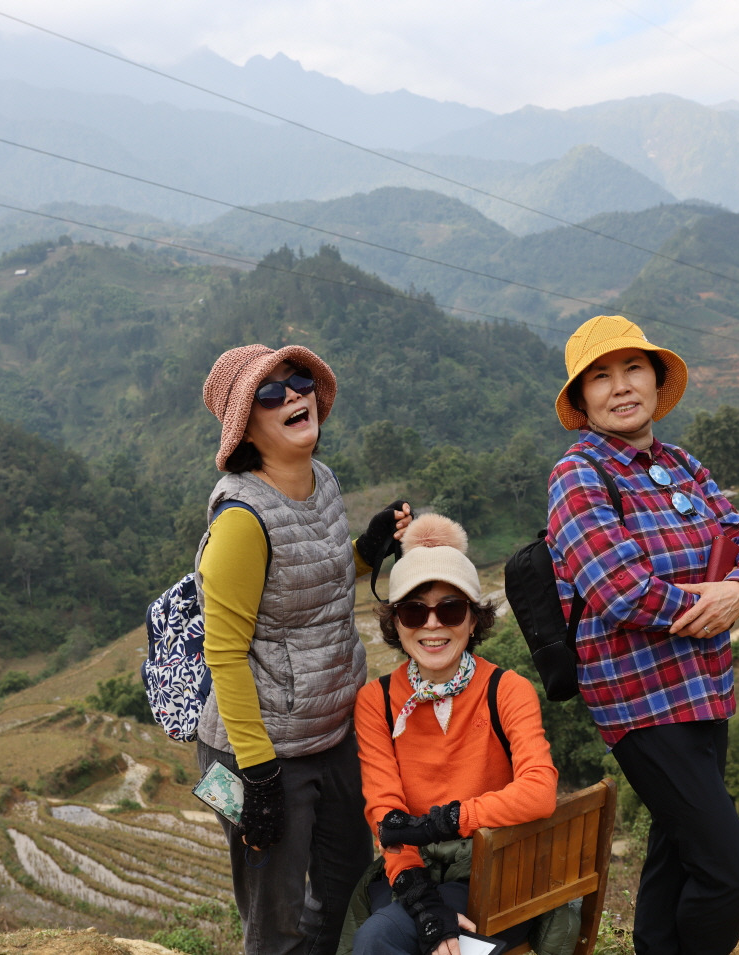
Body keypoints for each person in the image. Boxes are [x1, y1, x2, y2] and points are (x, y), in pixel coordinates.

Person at [544, 315, 739, 955]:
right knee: (730, 876)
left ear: (655, 379)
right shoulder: (578, 475)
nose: (621, 386)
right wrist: (709, 603)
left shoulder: (681, 465)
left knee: (675, 854)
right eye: (601, 376)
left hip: (706, 689)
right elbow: (617, 588)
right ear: (583, 398)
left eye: (633, 369)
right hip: (641, 702)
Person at [197, 343, 411, 955]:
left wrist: (366, 548)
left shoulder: (323, 481)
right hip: (262, 749)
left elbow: (311, 580)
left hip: (333, 726)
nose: (293, 393)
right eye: (270, 392)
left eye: (299, 381)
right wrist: (260, 774)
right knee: (277, 922)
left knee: (346, 885)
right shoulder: (241, 521)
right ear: (246, 427)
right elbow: (224, 653)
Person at [348, 513, 558, 955]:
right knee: (383, 935)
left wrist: (443, 821)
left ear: (473, 619)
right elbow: (386, 815)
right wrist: (424, 902)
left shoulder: (507, 690)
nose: (432, 625)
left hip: (494, 869)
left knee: (380, 938)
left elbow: (539, 791)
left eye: (450, 608)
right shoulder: (376, 701)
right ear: (395, 622)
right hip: (411, 868)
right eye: (413, 610)